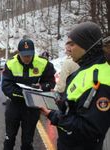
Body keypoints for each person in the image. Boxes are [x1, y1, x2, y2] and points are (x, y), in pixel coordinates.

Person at [40, 22, 110, 150]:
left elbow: (91, 129)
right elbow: (73, 105)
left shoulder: (101, 78)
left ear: (87, 45)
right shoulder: (84, 69)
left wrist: (54, 115)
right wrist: (58, 102)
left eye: (72, 44)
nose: (67, 49)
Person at [2, 38, 56, 150]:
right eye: (24, 55)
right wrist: (24, 94)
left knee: (27, 141)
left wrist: (41, 87)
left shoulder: (43, 63)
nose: (27, 58)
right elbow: (6, 87)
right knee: (9, 138)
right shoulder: (11, 64)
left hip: (32, 107)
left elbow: (51, 82)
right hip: (14, 105)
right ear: (18, 53)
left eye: (29, 55)